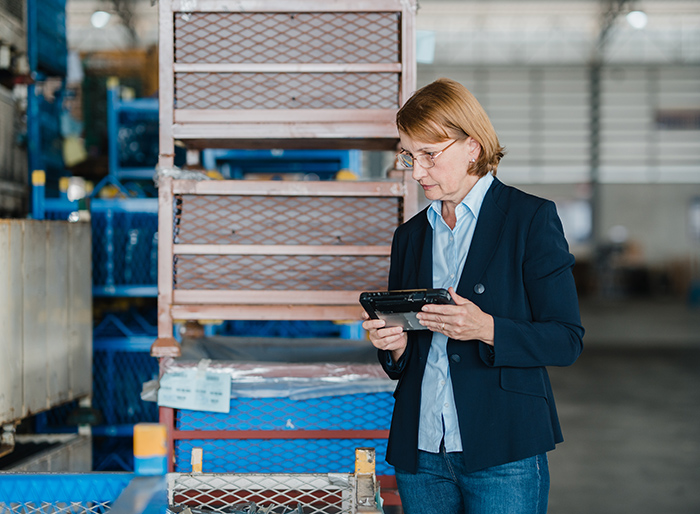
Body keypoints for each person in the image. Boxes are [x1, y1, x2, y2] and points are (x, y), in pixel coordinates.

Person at [362, 78, 584, 514]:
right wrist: (396, 346)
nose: (417, 170)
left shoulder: (530, 219)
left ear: (473, 148)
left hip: (503, 447)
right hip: (421, 449)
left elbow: (566, 339)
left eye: (429, 154)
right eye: (409, 155)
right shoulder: (409, 237)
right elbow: (405, 357)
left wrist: (487, 329)